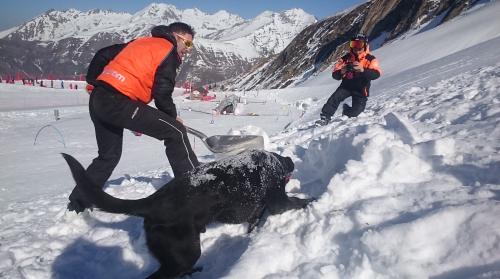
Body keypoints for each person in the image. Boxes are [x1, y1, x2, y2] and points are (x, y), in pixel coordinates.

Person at [68, 22, 200, 213]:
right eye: (187, 44)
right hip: (119, 102)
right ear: (176, 37)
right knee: (176, 132)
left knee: (108, 156)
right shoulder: (168, 50)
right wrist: (172, 118)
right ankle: (195, 190)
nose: (188, 50)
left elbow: (102, 54)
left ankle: (77, 204)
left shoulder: (140, 42)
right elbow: (162, 93)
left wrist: (95, 82)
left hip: (99, 99)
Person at [316, 33, 382, 126]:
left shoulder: (370, 59)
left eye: (359, 44)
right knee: (335, 98)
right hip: (346, 86)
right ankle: (325, 117)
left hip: (361, 89)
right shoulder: (345, 59)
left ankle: (347, 111)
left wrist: (363, 70)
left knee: (356, 113)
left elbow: (376, 74)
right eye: (354, 44)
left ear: (365, 45)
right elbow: (335, 75)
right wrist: (342, 72)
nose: (356, 48)